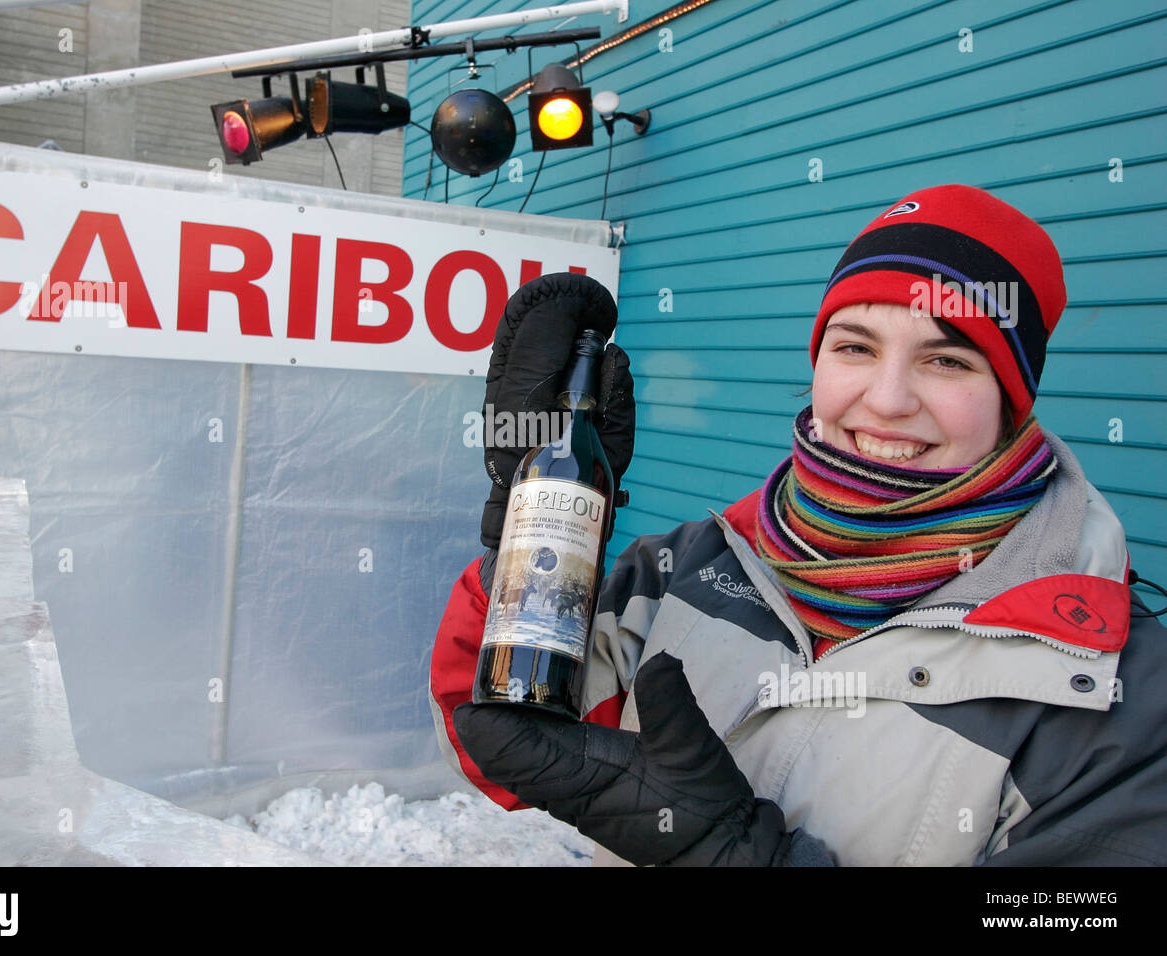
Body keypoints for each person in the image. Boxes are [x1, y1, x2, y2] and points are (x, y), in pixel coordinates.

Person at [429, 185, 1167, 866]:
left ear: (1012, 402)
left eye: (946, 359)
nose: (886, 399)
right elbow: (499, 744)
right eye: (855, 347)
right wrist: (523, 526)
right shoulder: (689, 567)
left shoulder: (1111, 688)